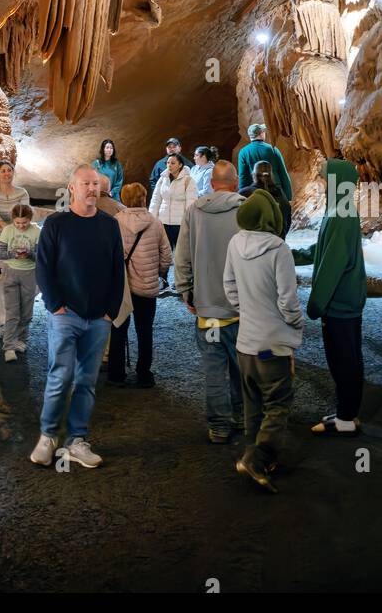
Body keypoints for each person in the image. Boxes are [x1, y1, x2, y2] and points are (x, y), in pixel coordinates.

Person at [32, 164, 124, 468]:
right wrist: (55, 304)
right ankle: (48, 436)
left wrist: (111, 311)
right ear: (72, 187)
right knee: (60, 376)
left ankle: (77, 440)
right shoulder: (57, 224)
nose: (92, 189)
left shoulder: (109, 225)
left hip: (98, 318)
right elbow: (44, 267)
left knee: (86, 380)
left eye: (96, 184)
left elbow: (116, 270)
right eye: (86, 183)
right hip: (65, 314)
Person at [224, 188, 303, 493]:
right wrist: (295, 323)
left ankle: (251, 454)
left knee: (253, 405)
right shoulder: (279, 249)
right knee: (278, 404)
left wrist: (247, 309)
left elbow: (229, 285)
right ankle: (259, 458)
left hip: (246, 342)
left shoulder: (235, 242)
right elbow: (287, 300)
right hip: (273, 343)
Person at [175, 160, 244, 443]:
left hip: (207, 309)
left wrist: (186, 291)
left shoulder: (195, 211)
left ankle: (218, 426)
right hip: (241, 308)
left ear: (212, 183)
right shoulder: (246, 210)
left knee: (214, 370)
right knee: (242, 367)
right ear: (236, 182)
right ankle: (241, 416)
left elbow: (182, 256)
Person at [307, 158, 367, 435]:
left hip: (339, 303)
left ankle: (345, 420)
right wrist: (296, 255)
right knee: (348, 358)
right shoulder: (340, 209)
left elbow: (333, 263)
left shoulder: (340, 214)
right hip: (346, 301)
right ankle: (347, 413)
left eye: (324, 178)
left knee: (343, 360)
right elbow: (324, 247)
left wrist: (316, 304)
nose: (321, 183)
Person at [108, 183, 171, 388]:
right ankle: (144, 374)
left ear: (125, 199)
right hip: (146, 286)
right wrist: (158, 273)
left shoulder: (116, 222)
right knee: (145, 331)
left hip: (122, 287)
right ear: (144, 199)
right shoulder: (155, 222)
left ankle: (116, 374)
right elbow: (166, 255)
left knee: (118, 329)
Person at [0, 159, 30, 338]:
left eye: (9, 170)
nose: (6, 174)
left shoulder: (22, 193)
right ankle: (2, 323)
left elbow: (24, 211)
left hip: (18, 244)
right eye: (3, 171)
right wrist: (6, 225)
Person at [0, 202, 41, 362]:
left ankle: (21, 340)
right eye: (17, 223)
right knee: (12, 312)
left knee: (26, 312)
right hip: (11, 273)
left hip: (30, 273)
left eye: (25, 223)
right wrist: (13, 254)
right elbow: (0, 254)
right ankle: (8, 347)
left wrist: (29, 254)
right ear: (13, 220)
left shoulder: (37, 231)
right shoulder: (8, 230)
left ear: (30, 219)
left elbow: (41, 256)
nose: (21, 226)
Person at [149, 151, 196, 290]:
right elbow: (156, 199)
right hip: (163, 221)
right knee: (163, 253)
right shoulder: (163, 179)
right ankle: (163, 280)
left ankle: (180, 281)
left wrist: (188, 221)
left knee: (180, 254)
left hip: (180, 222)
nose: (169, 165)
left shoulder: (188, 180)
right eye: (168, 163)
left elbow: (191, 203)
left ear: (180, 165)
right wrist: (153, 219)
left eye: (173, 163)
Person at [237, 123, 292, 202]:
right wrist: (288, 197)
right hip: (276, 192)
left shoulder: (243, 152)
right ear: (261, 134)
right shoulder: (273, 149)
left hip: (256, 194)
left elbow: (243, 177)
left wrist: (242, 197)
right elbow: (283, 173)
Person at [241, 160, 292, 237]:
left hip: (252, 245)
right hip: (278, 243)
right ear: (271, 175)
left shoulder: (245, 193)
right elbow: (287, 221)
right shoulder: (280, 194)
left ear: (253, 174)